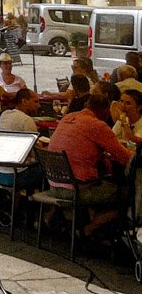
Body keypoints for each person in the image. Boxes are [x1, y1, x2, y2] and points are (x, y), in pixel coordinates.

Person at [48, 91, 133, 236]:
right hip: (78, 189)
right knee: (130, 194)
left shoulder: (68, 117)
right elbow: (125, 158)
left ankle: (89, 223)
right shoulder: (97, 125)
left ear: (86, 105)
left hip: (53, 184)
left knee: (106, 183)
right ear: (105, 111)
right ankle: (91, 228)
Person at [0, 88, 44, 191]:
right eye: (35, 101)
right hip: (17, 175)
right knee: (49, 171)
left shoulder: (5, 115)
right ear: (24, 101)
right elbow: (38, 153)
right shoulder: (26, 120)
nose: (39, 106)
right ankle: (41, 205)